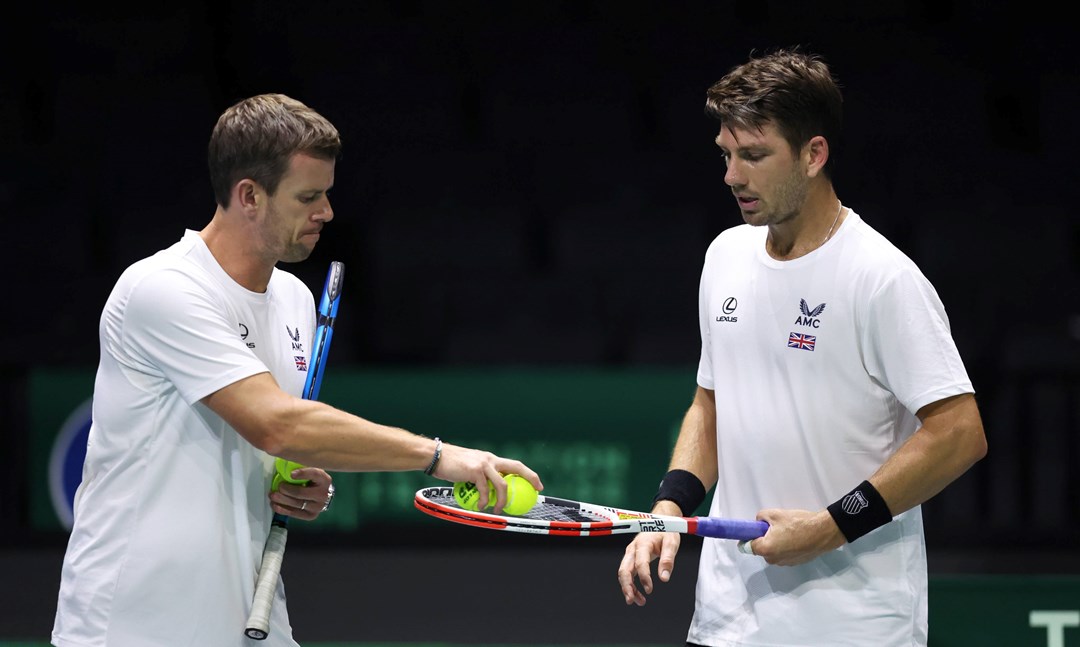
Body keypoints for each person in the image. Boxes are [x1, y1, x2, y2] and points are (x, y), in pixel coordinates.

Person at [52, 93, 543, 647]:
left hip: (249, 617)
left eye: (327, 194)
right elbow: (278, 424)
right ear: (249, 196)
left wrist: (292, 479)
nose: (327, 212)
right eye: (308, 196)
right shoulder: (163, 290)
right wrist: (438, 455)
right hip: (134, 623)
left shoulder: (293, 299)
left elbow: (274, 444)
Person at [616, 48, 987, 646]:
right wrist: (672, 508)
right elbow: (711, 405)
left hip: (853, 624)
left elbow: (959, 434)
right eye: (727, 154)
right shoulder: (725, 257)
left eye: (755, 156)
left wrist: (829, 528)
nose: (732, 175)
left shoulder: (881, 277)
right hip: (727, 618)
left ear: (814, 154)